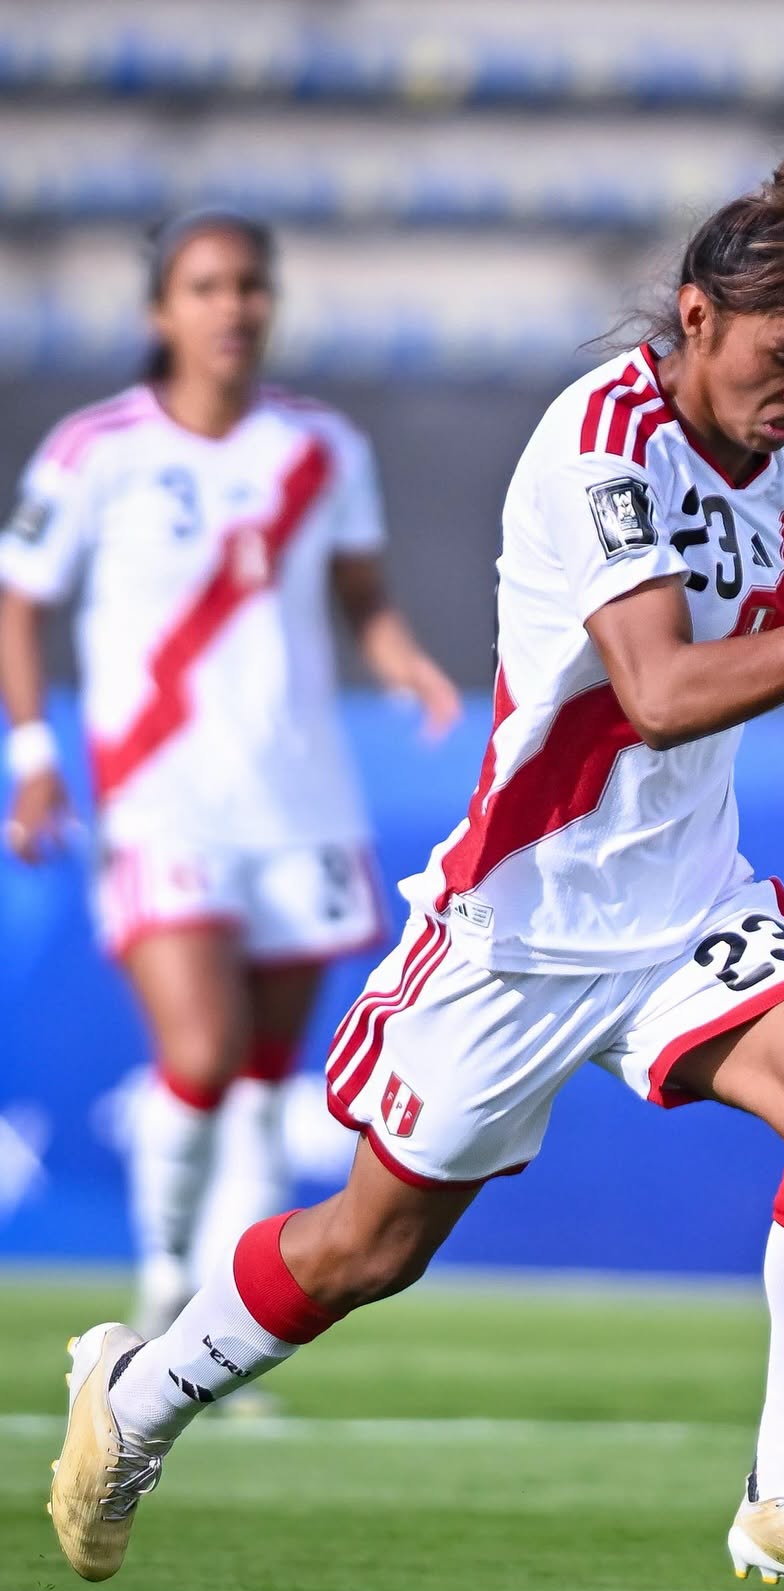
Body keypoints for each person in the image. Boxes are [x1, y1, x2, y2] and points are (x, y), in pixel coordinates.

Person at [47, 144, 784, 1591]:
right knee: (366, 1251)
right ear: (695, 317)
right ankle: (140, 1394)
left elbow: (708, 689)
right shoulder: (597, 447)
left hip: (686, 900)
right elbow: (664, 689)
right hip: (527, 916)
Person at [0, 209, 460, 1350]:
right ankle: (160, 1276)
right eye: (206, 287)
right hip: (160, 797)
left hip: (299, 801)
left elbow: (360, 596)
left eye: (250, 286)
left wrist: (403, 660)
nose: (233, 307)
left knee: (260, 1073)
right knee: (198, 1053)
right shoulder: (94, 450)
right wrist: (35, 755)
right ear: (163, 310)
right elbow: (19, 599)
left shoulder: (320, 449)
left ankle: (216, 1310)